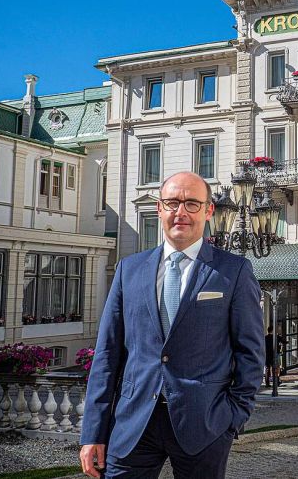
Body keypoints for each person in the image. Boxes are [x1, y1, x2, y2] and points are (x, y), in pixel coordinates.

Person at [79, 172, 264, 478]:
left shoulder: (234, 272)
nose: (181, 212)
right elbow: (107, 354)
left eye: (192, 203)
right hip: (133, 423)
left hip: (204, 424)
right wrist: (93, 432)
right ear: (159, 209)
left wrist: (233, 417)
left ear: (208, 211)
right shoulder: (129, 269)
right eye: (172, 202)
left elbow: (251, 353)